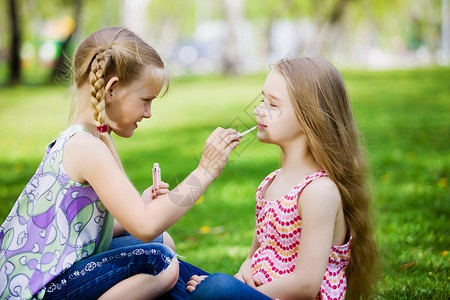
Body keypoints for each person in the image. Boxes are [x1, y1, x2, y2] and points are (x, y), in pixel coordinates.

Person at [0, 27, 240, 300]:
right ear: (112, 89)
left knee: (163, 243)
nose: (148, 113)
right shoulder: (86, 147)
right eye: (145, 100)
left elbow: (81, 233)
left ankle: (210, 292)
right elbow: (146, 225)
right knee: (160, 263)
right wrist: (206, 170)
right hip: (40, 292)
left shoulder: (88, 139)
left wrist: (139, 205)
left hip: (51, 280)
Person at [181, 57, 380, 299]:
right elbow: (254, 256)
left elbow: (306, 285)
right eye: (262, 99)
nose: (258, 109)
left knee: (216, 288)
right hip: (258, 292)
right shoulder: (272, 182)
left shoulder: (319, 192)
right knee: (164, 264)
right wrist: (240, 276)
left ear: (309, 120)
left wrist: (234, 291)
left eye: (272, 104)